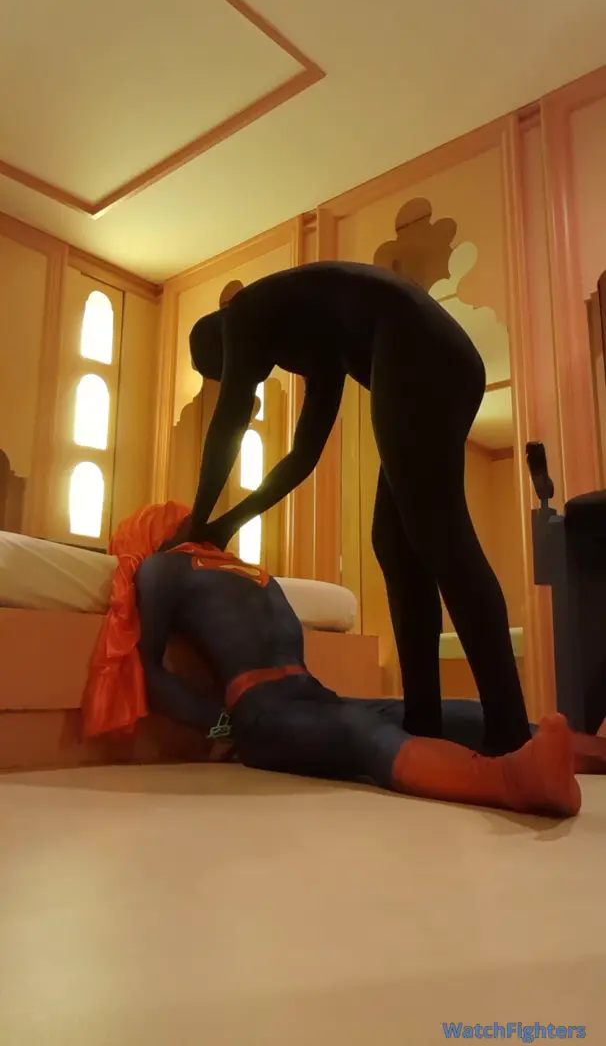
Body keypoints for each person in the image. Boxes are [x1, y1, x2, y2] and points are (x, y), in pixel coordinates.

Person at [187, 262, 529, 755]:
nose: (248, 378)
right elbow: (304, 455)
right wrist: (227, 523)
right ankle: (423, 722)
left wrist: (197, 522)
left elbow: (228, 424)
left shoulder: (243, 313)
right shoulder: (312, 338)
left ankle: (510, 732)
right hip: (445, 357)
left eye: (228, 370)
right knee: (396, 542)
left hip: (417, 345)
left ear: (221, 341)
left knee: (441, 537)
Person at [82, 503, 597, 820]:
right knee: (361, 734)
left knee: (448, 712)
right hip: (262, 713)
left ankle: (593, 752)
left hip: (313, 694)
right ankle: (510, 782)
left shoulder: (247, 571)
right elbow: (150, 672)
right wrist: (224, 727)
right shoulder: (162, 568)